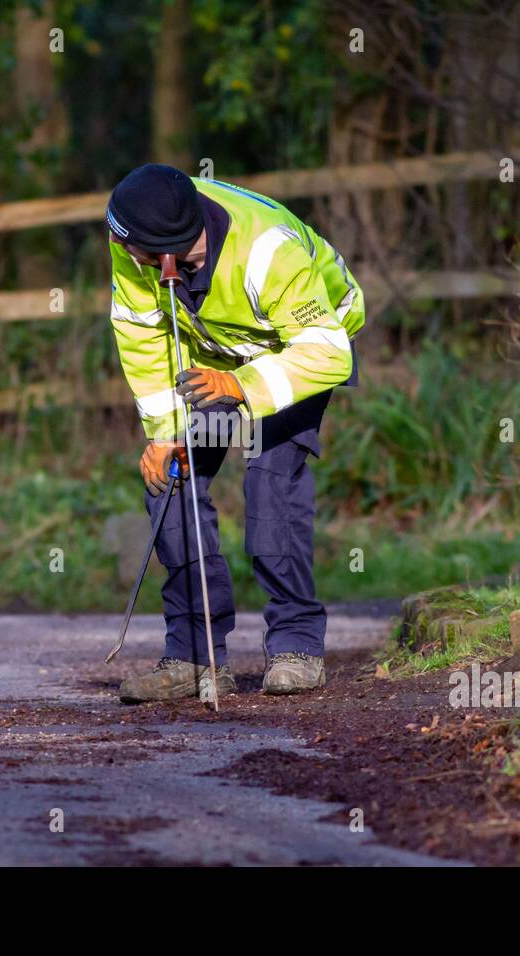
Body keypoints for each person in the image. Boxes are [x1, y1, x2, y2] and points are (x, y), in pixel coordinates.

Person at [106, 164, 364, 703]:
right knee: (170, 482)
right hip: (213, 358)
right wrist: (163, 434)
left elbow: (329, 352)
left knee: (269, 481)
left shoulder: (270, 251)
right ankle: (194, 657)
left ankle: (296, 646)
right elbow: (141, 336)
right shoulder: (134, 236)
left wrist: (242, 385)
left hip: (295, 357)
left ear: (167, 255)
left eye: (133, 252)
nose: (122, 255)